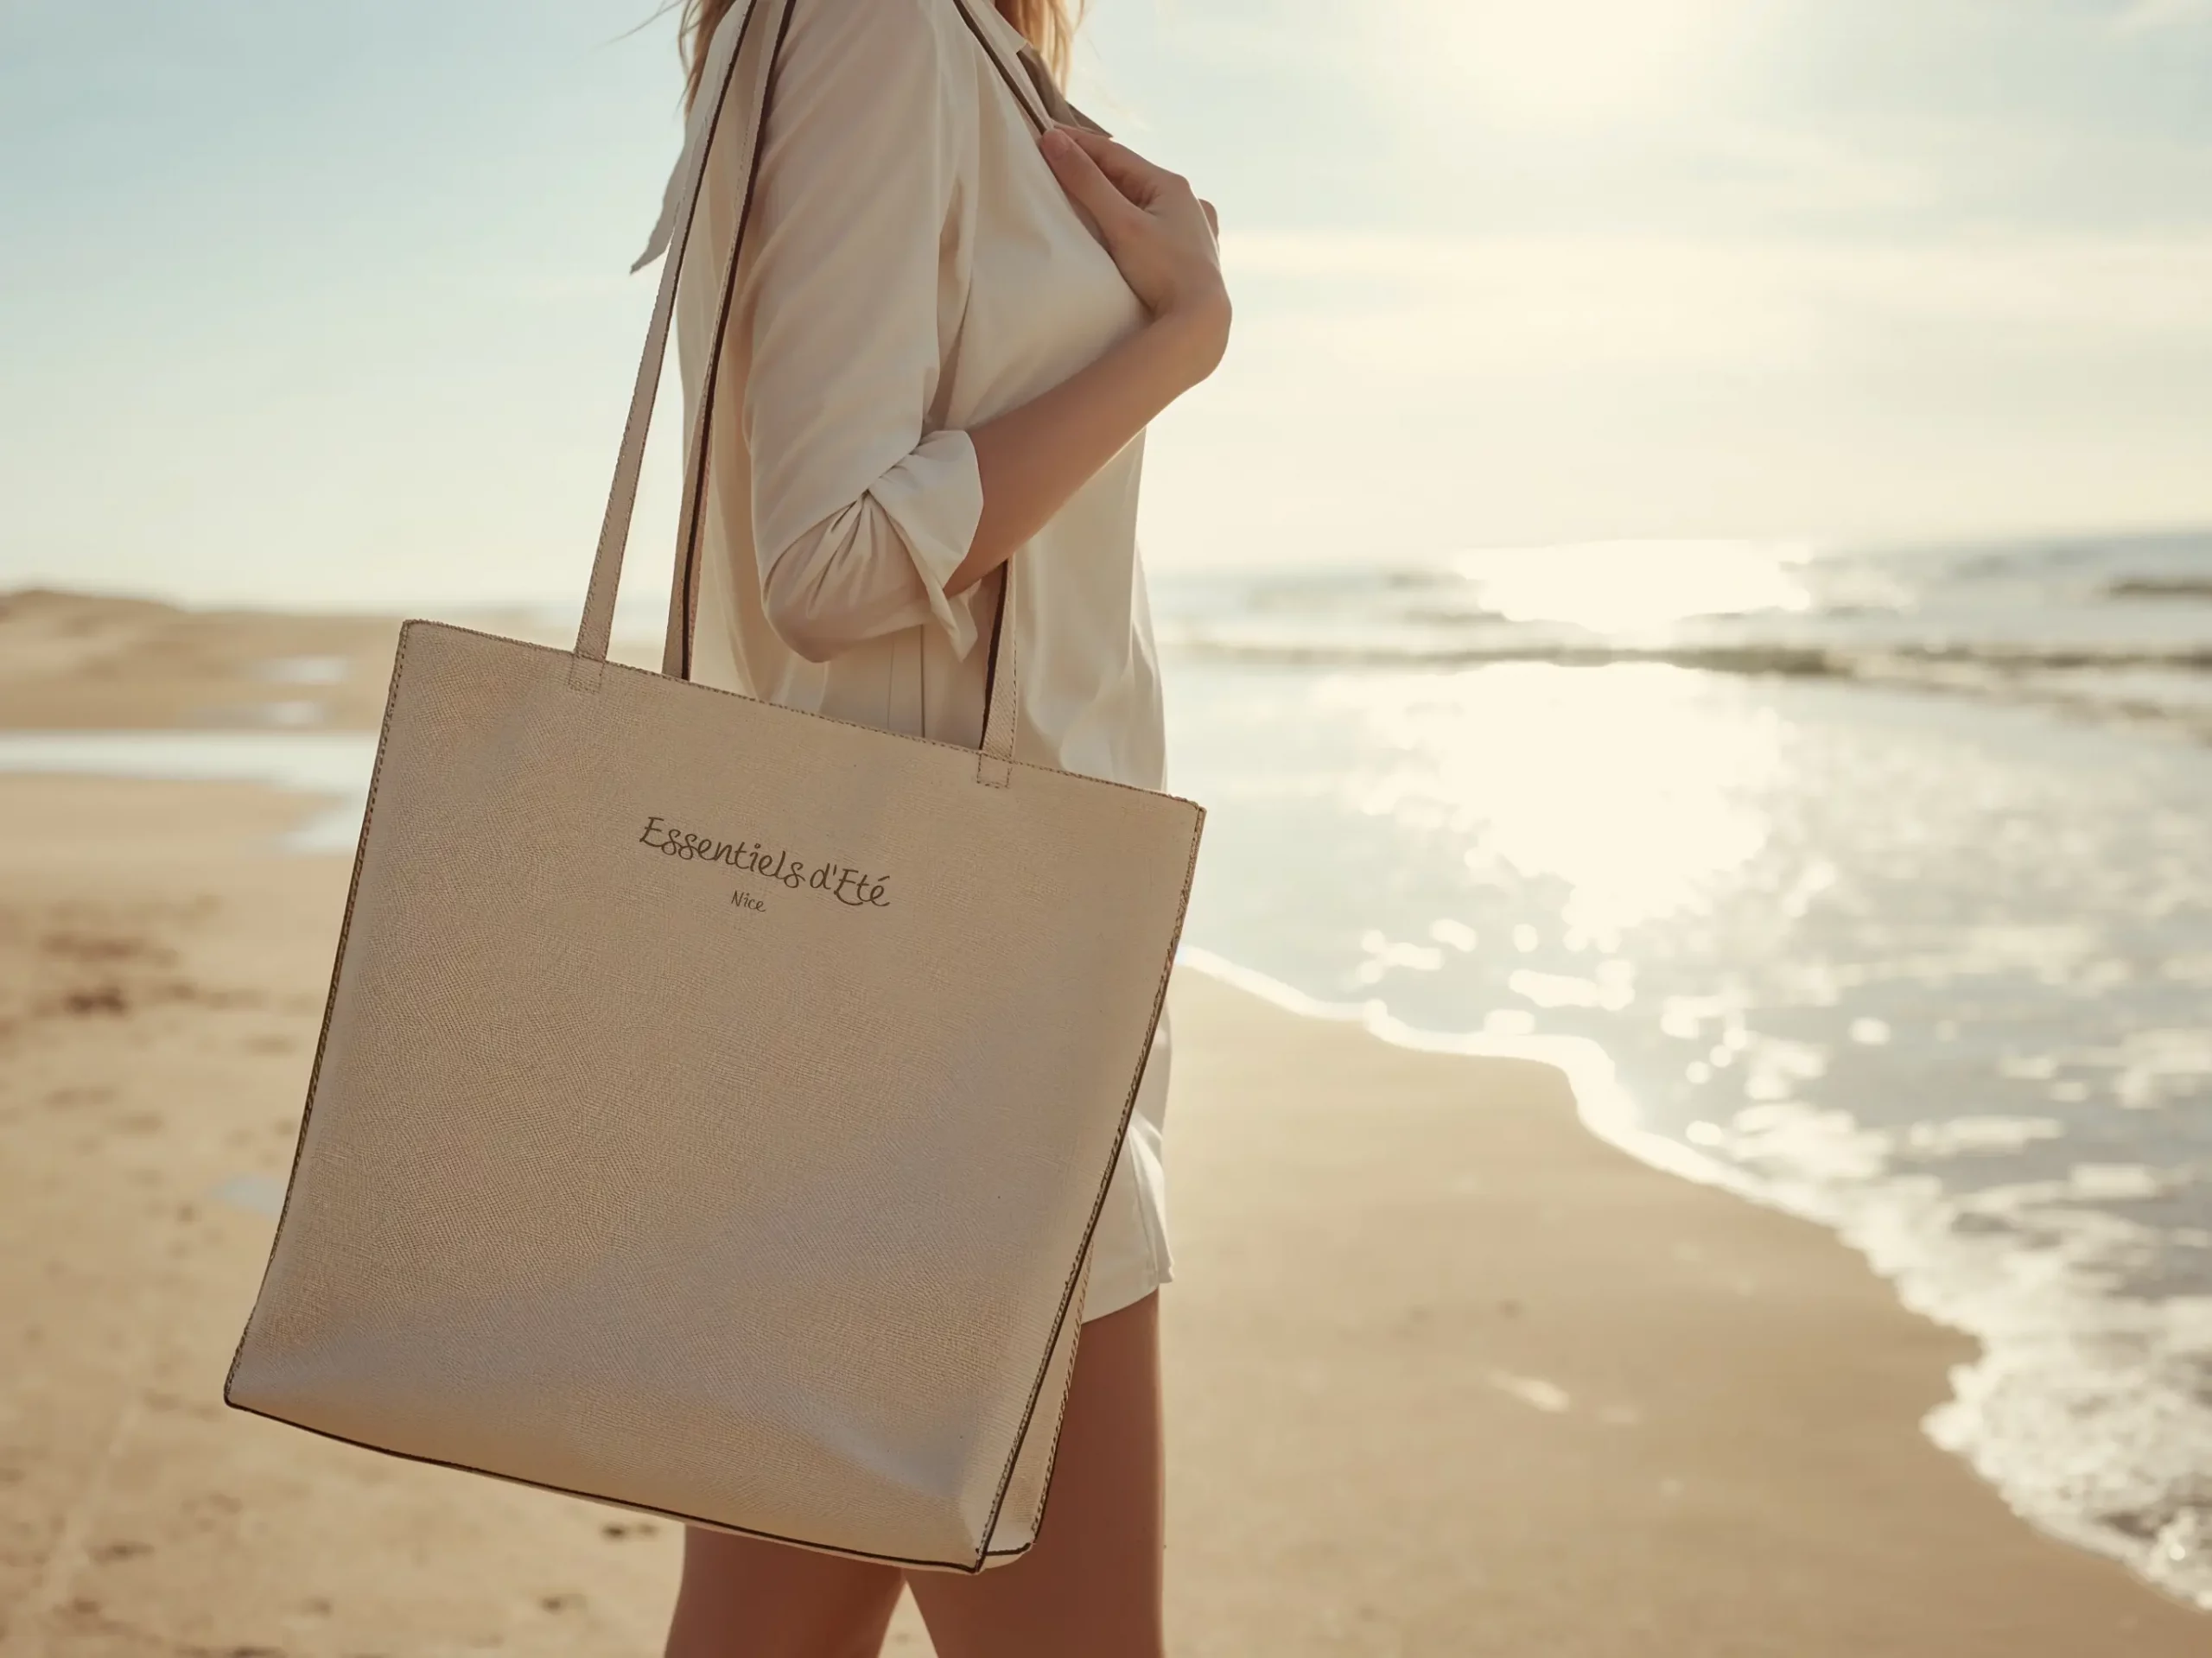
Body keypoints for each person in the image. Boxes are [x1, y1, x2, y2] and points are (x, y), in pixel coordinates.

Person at [649, 0, 1230, 1653]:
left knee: (770, 1630)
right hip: (954, 998)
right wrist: (1176, 337)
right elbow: (826, 563)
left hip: (933, 960)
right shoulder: (882, 27)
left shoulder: (939, 41)